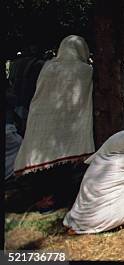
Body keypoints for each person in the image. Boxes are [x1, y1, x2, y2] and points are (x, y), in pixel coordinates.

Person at [13, 35, 95, 210]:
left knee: (46, 163)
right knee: (63, 165)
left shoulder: (49, 67)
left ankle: (44, 199)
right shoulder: (85, 70)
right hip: (69, 126)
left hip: (41, 120)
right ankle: (54, 199)